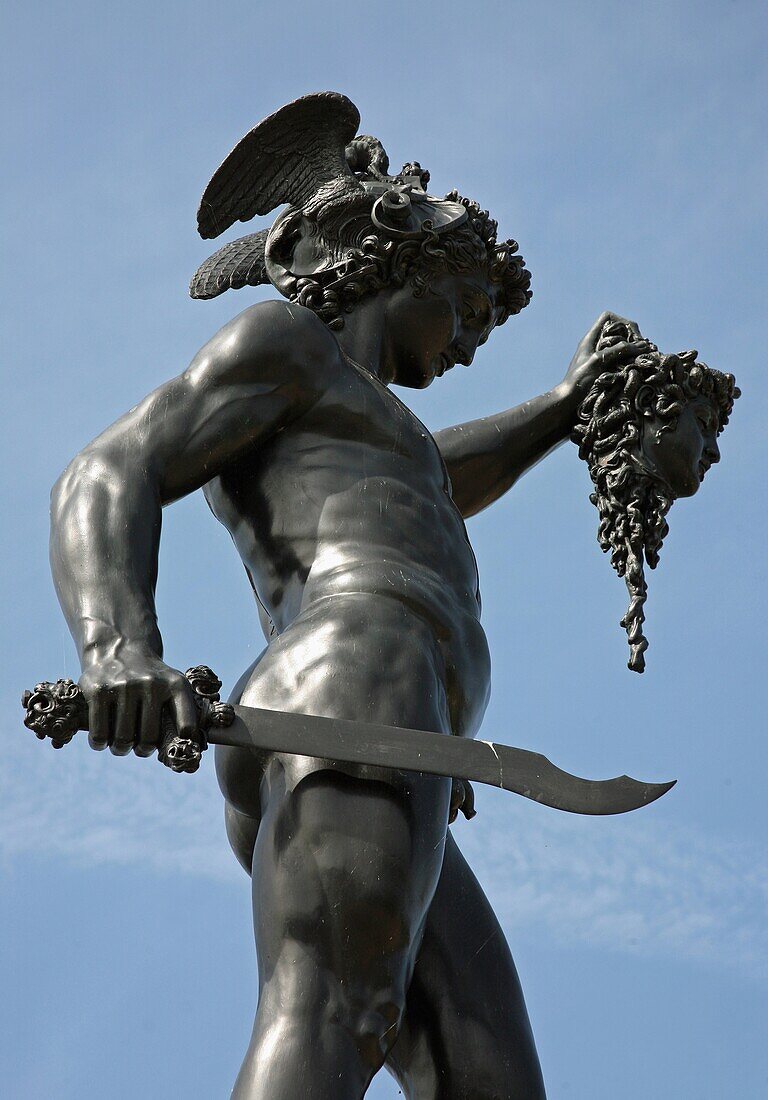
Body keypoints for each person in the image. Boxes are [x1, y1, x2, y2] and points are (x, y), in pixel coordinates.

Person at [49, 93, 653, 1099]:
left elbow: (432, 480)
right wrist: (117, 643)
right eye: (465, 306)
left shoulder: (371, 430)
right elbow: (108, 469)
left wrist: (559, 410)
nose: (468, 341)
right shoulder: (288, 347)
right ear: (399, 262)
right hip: (352, 691)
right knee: (334, 1005)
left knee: (491, 1072)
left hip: (399, 726)